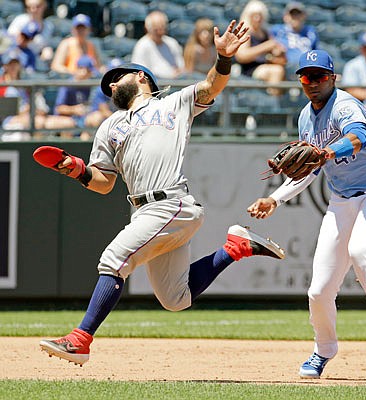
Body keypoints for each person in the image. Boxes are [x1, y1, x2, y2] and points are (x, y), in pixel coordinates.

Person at [39, 21, 285, 366]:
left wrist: (224, 57)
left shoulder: (171, 104)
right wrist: (75, 169)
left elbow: (212, 85)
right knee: (175, 298)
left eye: (118, 77)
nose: (111, 84)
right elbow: (103, 183)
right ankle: (236, 247)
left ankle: (80, 340)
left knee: (113, 260)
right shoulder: (109, 126)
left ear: (141, 77)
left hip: (171, 203)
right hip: (144, 212)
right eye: (109, 83)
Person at [248, 49, 366, 378]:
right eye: (306, 77)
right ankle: (323, 349)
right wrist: (275, 199)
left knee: (362, 250)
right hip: (342, 202)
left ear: (332, 78)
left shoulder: (345, 104)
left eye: (320, 76)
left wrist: (326, 151)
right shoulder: (305, 117)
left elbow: (357, 138)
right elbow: (308, 170)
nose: (312, 82)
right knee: (319, 290)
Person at [0, 49, 75, 141]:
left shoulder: (25, 83)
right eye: (10, 64)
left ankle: (64, 154)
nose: (13, 67)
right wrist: (30, 109)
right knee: (38, 123)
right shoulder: (2, 84)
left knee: (68, 123)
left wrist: (37, 109)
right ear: (5, 66)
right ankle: (36, 153)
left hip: (33, 115)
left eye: (16, 63)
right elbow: (8, 112)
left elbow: (37, 105)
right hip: (11, 120)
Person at [234, 0, 286, 95]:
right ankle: (273, 104)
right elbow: (241, 56)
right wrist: (265, 47)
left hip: (265, 66)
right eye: (254, 15)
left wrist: (279, 52)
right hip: (249, 70)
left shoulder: (265, 32)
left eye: (260, 15)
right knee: (277, 71)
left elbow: (274, 49)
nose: (257, 19)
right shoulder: (245, 31)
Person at [53, 55, 100, 140]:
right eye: (89, 71)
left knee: (94, 119)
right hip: (70, 119)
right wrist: (74, 109)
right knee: (68, 124)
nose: (90, 74)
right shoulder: (68, 85)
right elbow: (59, 108)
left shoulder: (90, 85)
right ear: (81, 69)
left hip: (84, 119)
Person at [270, 2, 319, 80]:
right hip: (287, 67)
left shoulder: (310, 31)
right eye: (292, 14)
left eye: (298, 14)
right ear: (285, 17)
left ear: (304, 16)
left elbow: (315, 52)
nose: (295, 17)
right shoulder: (277, 30)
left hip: (307, 68)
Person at [131, 11, 185, 79]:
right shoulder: (142, 45)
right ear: (148, 29)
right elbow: (140, 72)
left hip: (175, 82)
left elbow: (181, 66)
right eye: (156, 30)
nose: (160, 32)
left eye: (163, 29)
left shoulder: (172, 43)